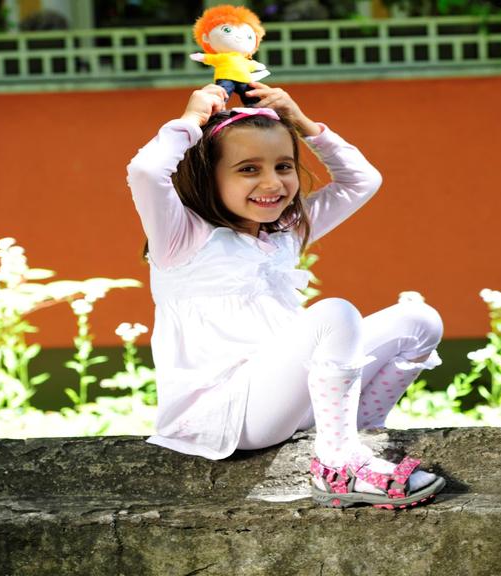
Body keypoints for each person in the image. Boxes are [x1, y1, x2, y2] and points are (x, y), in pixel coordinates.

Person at [127, 82, 446, 509]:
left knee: (419, 320)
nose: (272, 182)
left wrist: (303, 123)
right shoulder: (180, 237)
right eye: (248, 169)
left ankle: (356, 432)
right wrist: (189, 122)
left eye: (283, 166)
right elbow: (147, 172)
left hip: (291, 399)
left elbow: (362, 180)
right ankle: (340, 467)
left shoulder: (283, 230)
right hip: (230, 414)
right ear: (207, 175)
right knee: (335, 313)